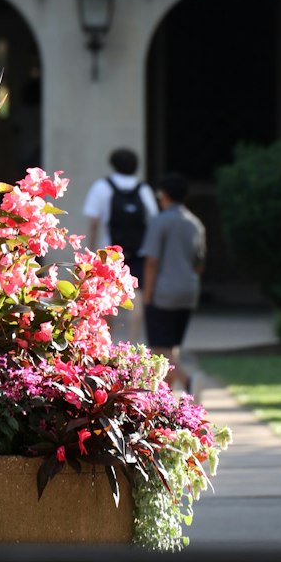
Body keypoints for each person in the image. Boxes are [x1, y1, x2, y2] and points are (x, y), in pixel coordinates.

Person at [138, 171, 205, 396]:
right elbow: (199, 262)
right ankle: (165, 394)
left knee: (160, 347)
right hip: (188, 291)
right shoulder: (195, 223)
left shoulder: (159, 222)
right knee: (171, 346)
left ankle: (188, 380)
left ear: (163, 195)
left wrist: (147, 296)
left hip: (163, 292)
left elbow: (152, 262)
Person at [82, 147, 158, 342]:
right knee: (137, 297)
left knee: (107, 296)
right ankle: (131, 343)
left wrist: (91, 252)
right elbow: (154, 220)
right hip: (138, 251)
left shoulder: (102, 187)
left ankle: (107, 341)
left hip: (110, 252)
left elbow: (93, 222)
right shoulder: (144, 189)